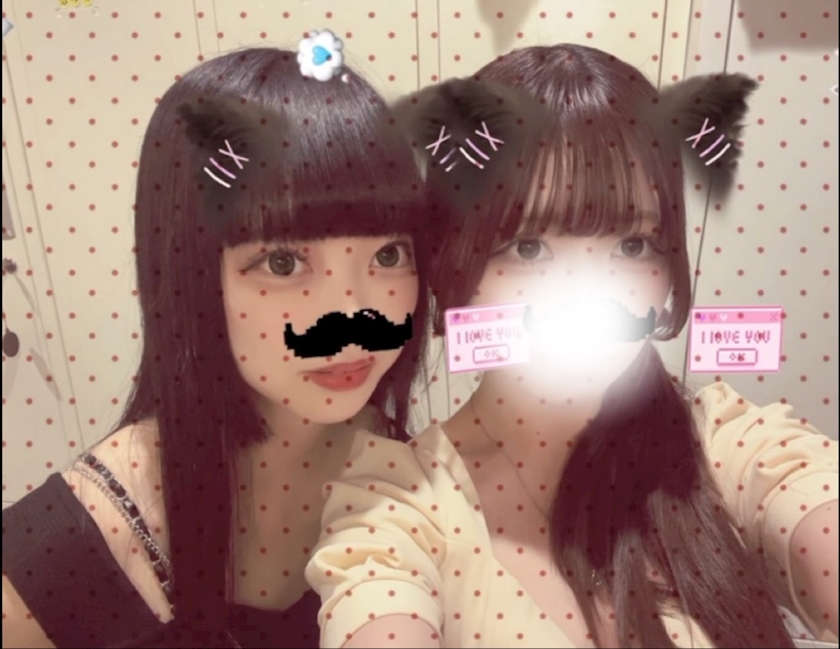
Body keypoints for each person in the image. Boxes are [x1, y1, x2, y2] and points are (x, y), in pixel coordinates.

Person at [305, 43, 839, 648]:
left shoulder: (722, 445)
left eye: (633, 245)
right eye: (528, 248)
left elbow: (809, 498)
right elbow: (375, 605)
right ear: (454, 259)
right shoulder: (397, 508)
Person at [2, 36, 435, 648]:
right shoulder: (78, 542)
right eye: (283, 263)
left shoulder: (405, 470)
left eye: (389, 255)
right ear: (190, 276)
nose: (355, 315)